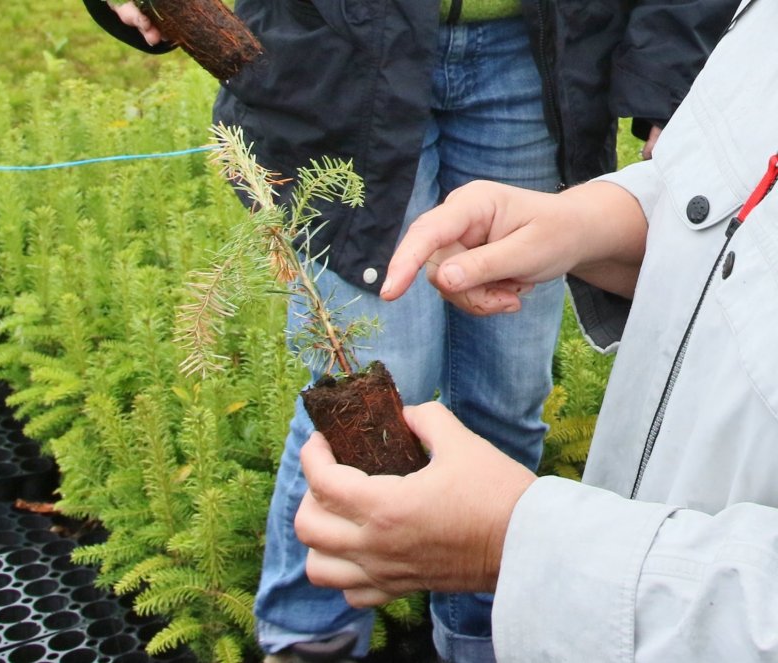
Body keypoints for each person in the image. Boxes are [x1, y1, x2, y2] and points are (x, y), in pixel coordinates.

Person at [84, 1, 740, 662]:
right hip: (339, 51)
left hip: (538, 53)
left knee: (507, 396)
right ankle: (310, 637)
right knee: (372, 400)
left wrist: (669, 72)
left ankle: (484, 634)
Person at [295, 1, 778, 660]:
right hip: (619, 591)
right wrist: (597, 222)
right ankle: (307, 634)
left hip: (627, 606)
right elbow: (749, 194)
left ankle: (469, 635)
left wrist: (517, 542)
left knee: (505, 395)